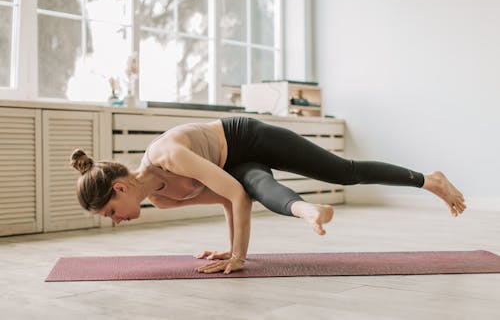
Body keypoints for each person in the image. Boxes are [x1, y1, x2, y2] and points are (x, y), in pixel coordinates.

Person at [70, 116, 466, 275]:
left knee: (344, 172)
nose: (115, 220)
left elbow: (234, 197)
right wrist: (231, 249)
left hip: (248, 138)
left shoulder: (167, 155)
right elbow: (232, 197)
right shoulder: (160, 199)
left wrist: (241, 255)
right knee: (258, 185)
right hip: (236, 167)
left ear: (120, 188)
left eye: (109, 212)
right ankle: (308, 211)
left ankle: (428, 179)